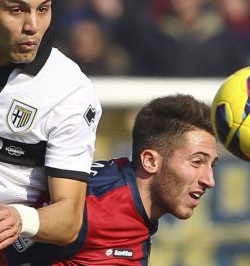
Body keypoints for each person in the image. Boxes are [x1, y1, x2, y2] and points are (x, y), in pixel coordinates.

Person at [3, 94, 218, 265]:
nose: (210, 180)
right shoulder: (95, 205)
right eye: (197, 162)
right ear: (150, 161)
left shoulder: (136, 207)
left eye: (212, 165)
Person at [0, 0, 102, 259]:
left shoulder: (68, 91)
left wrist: (18, 218)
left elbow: (68, 220)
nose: (32, 25)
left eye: (43, 9)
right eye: (17, 10)